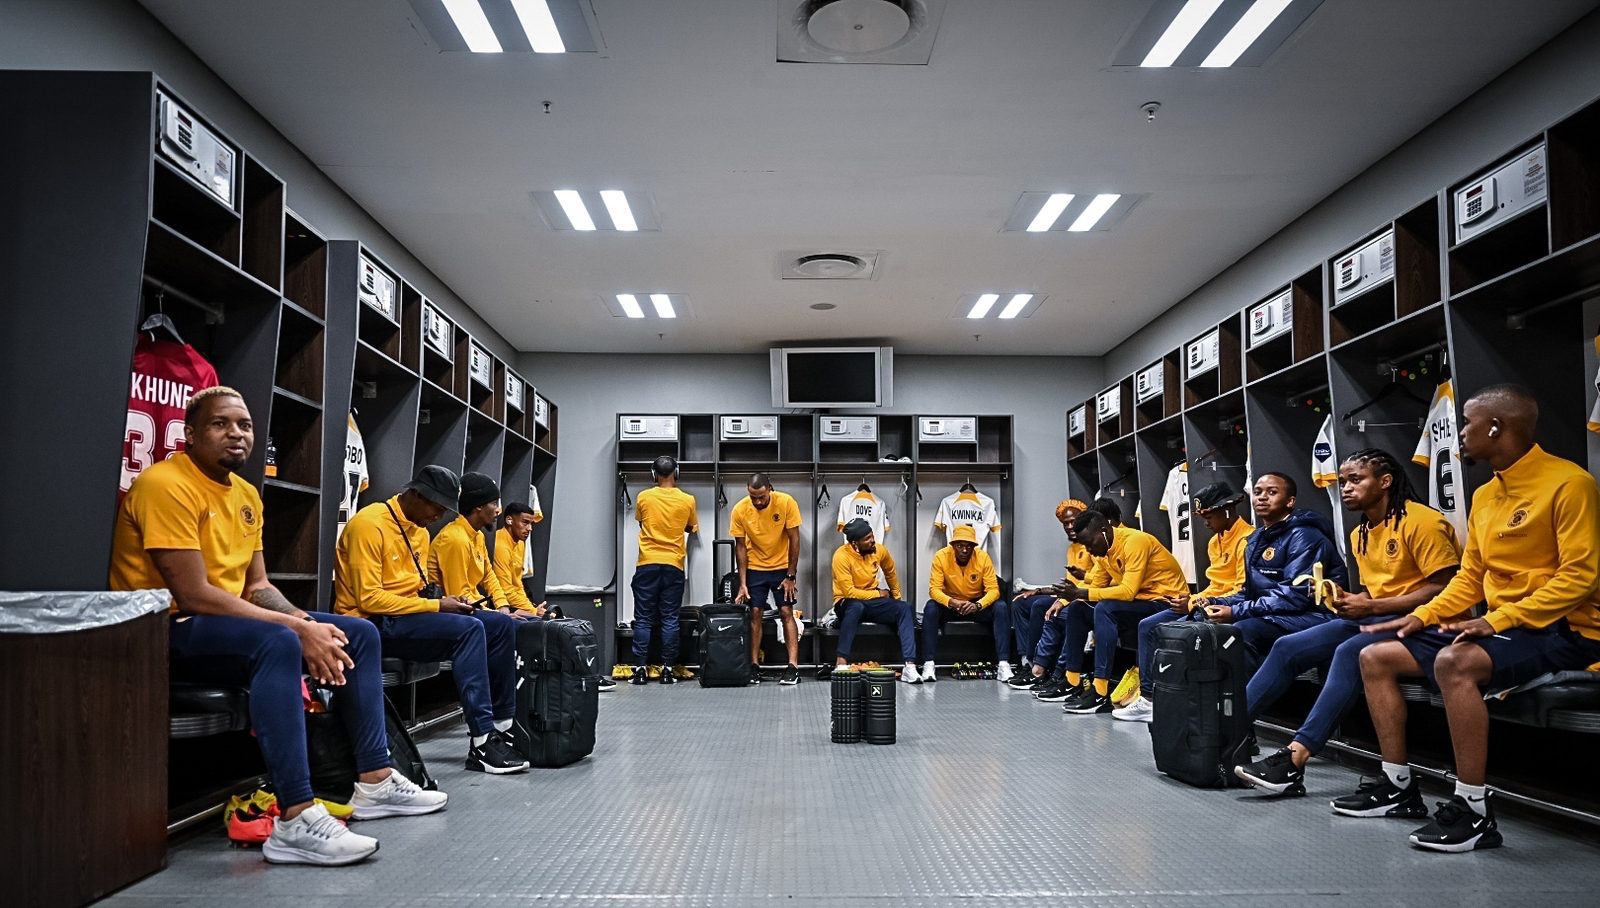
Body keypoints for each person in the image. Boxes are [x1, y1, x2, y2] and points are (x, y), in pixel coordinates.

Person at [111, 387, 445, 866]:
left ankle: (375, 780)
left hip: (221, 624)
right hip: (162, 629)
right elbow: (194, 594)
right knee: (278, 642)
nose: (236, 434)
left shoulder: (246, 495)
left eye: (244, 426)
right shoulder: (165, 484)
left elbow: (258, 585)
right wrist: (296, 631)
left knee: (358, 634)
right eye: (220, 424)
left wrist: (307, 623)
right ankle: (295, 817)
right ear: (191, 433)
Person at [1341, 385, 1600, 852]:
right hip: (1510, 625)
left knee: (1454, 663)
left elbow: (1580, 577)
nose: (1460, 432)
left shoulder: (1569, 483)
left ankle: (1474, 810)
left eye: (1466, 422)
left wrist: (1498, 621)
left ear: (1495, 427)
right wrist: (1422, 616)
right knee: (1375, 656)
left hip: (1568, 628)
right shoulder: (1485, 495)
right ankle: (1398, 787)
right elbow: (1470, 577)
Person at [1234, 450, 1458, 795]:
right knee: (1288, 646)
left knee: (1350, 651)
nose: (1346, 489)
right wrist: (1350, 600)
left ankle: (1295, 758)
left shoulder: (1422, 522)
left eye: (1356, 480)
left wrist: (1372, 605)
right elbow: (1376, 590)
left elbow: (1444, 587)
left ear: (1385, 482)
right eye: (1342, 482)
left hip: (1425, 622)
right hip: (1381, 616)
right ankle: (1227, 730)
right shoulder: (1360, 533)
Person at [335, 465, 529, 775]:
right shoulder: (369, 525)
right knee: (470, 630)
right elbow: (368, 599)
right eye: (436, 507)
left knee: (500, 625)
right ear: (414, 494)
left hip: (408, 616)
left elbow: (418, 590)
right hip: (370, 624)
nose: (438, 516)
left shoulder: (421, 532)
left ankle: (502, 725)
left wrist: (448, 603)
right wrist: (437, 605)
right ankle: (481, 741)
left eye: (444, 510)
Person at [1111, 481, 1256, 721]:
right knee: (1148, 626)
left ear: (1227, 510)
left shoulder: (1247, 541)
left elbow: (1241, 590)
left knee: (1177, 633)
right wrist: (1190, 599)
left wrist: (1194, 603)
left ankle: (1178, 700)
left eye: (1209, 516)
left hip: (1226, 608)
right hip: (1206, 602)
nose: (1206, 523)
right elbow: (1215, 584)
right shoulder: (1215, 541)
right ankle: (1148, 698)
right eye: (1203, 517)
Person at [1046, 509, 1190, 714]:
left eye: (1090, 543)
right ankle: (1072, 681)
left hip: (1167, 603)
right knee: (1079, 609)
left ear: (1104, 531)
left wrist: (1080, 592)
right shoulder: (1103, 552)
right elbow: (1096, 587)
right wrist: (1068, 598)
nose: (1089, 550)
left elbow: (1128, 591)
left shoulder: (1135, 541)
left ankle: (1100, 690)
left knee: (1105, 609)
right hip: (1140, 604)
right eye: (1085, 546)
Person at [628, 455, 699, 685]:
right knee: (670, 618)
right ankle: (668, 670)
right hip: (673, 565)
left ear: (654, 474)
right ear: (676, 473)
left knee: (643, 619)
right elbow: (691, 527)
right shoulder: (688, 500)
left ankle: (640, 670)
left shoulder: (644, 497)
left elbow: (642, 522)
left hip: (647, 564)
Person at [730, 473, 803, 685]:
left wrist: (791, 575)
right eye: (753, 497)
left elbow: (794, 538)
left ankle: (793, 667)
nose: (758, 502)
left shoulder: (786, 502)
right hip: (755, 567)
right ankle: (754, 665)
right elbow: (740, 547)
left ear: (770, 488)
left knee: (786, 612)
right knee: (755, 613)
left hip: (781, 567)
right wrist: (742, 583)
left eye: (761, 497)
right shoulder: (740, 510)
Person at [1009, 499, 1092, 679]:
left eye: (1073, 521)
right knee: (1021, 603)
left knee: (1040, 606)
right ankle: (1026, 661)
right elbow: (1069, 584)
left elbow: (1091, 583)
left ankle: (1038, 665)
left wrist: (1061, 600)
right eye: (1065, 523)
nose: (1069, 527)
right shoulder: (1072, 549)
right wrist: (1039, 590)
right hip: (1070, 595)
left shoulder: (1093, 545)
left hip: (1084, 598)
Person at [832, 519, 921, 683]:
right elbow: (850, 592)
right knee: (856, 607)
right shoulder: (841, 556)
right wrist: (879, 594)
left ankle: (910, 667)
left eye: (872, 535)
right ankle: (841, 663)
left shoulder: (879, 550)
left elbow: (890, 572)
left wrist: (896, 599)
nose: (872, 540)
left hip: (872, 602)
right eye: (867, 538)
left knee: (904, 608)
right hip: (846, 602)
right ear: (855, 543)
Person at [922, 525, 1011, 682]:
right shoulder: (941, 557)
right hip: (951, 603)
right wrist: (952, 602)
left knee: (1001, 607)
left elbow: (993, 590)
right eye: (960, 546)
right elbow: (934, 590)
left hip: (975, 604)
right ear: (953, 545)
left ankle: (1004, 664)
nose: (964, 550)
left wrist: (978, 605)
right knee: (930, 608)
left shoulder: (982, 557)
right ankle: (928, 664)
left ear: (973, 547)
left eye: (968, 546)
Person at [492, 501, 546, 618]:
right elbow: (505, 590)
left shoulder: (520, 543)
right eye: (525, 522)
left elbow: (518, 584)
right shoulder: (500, 545)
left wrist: (532, 609)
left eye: (531, 523)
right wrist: (533, 611)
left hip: (514, 599)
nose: (530, 528)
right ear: (509, 520)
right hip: (498, 602)